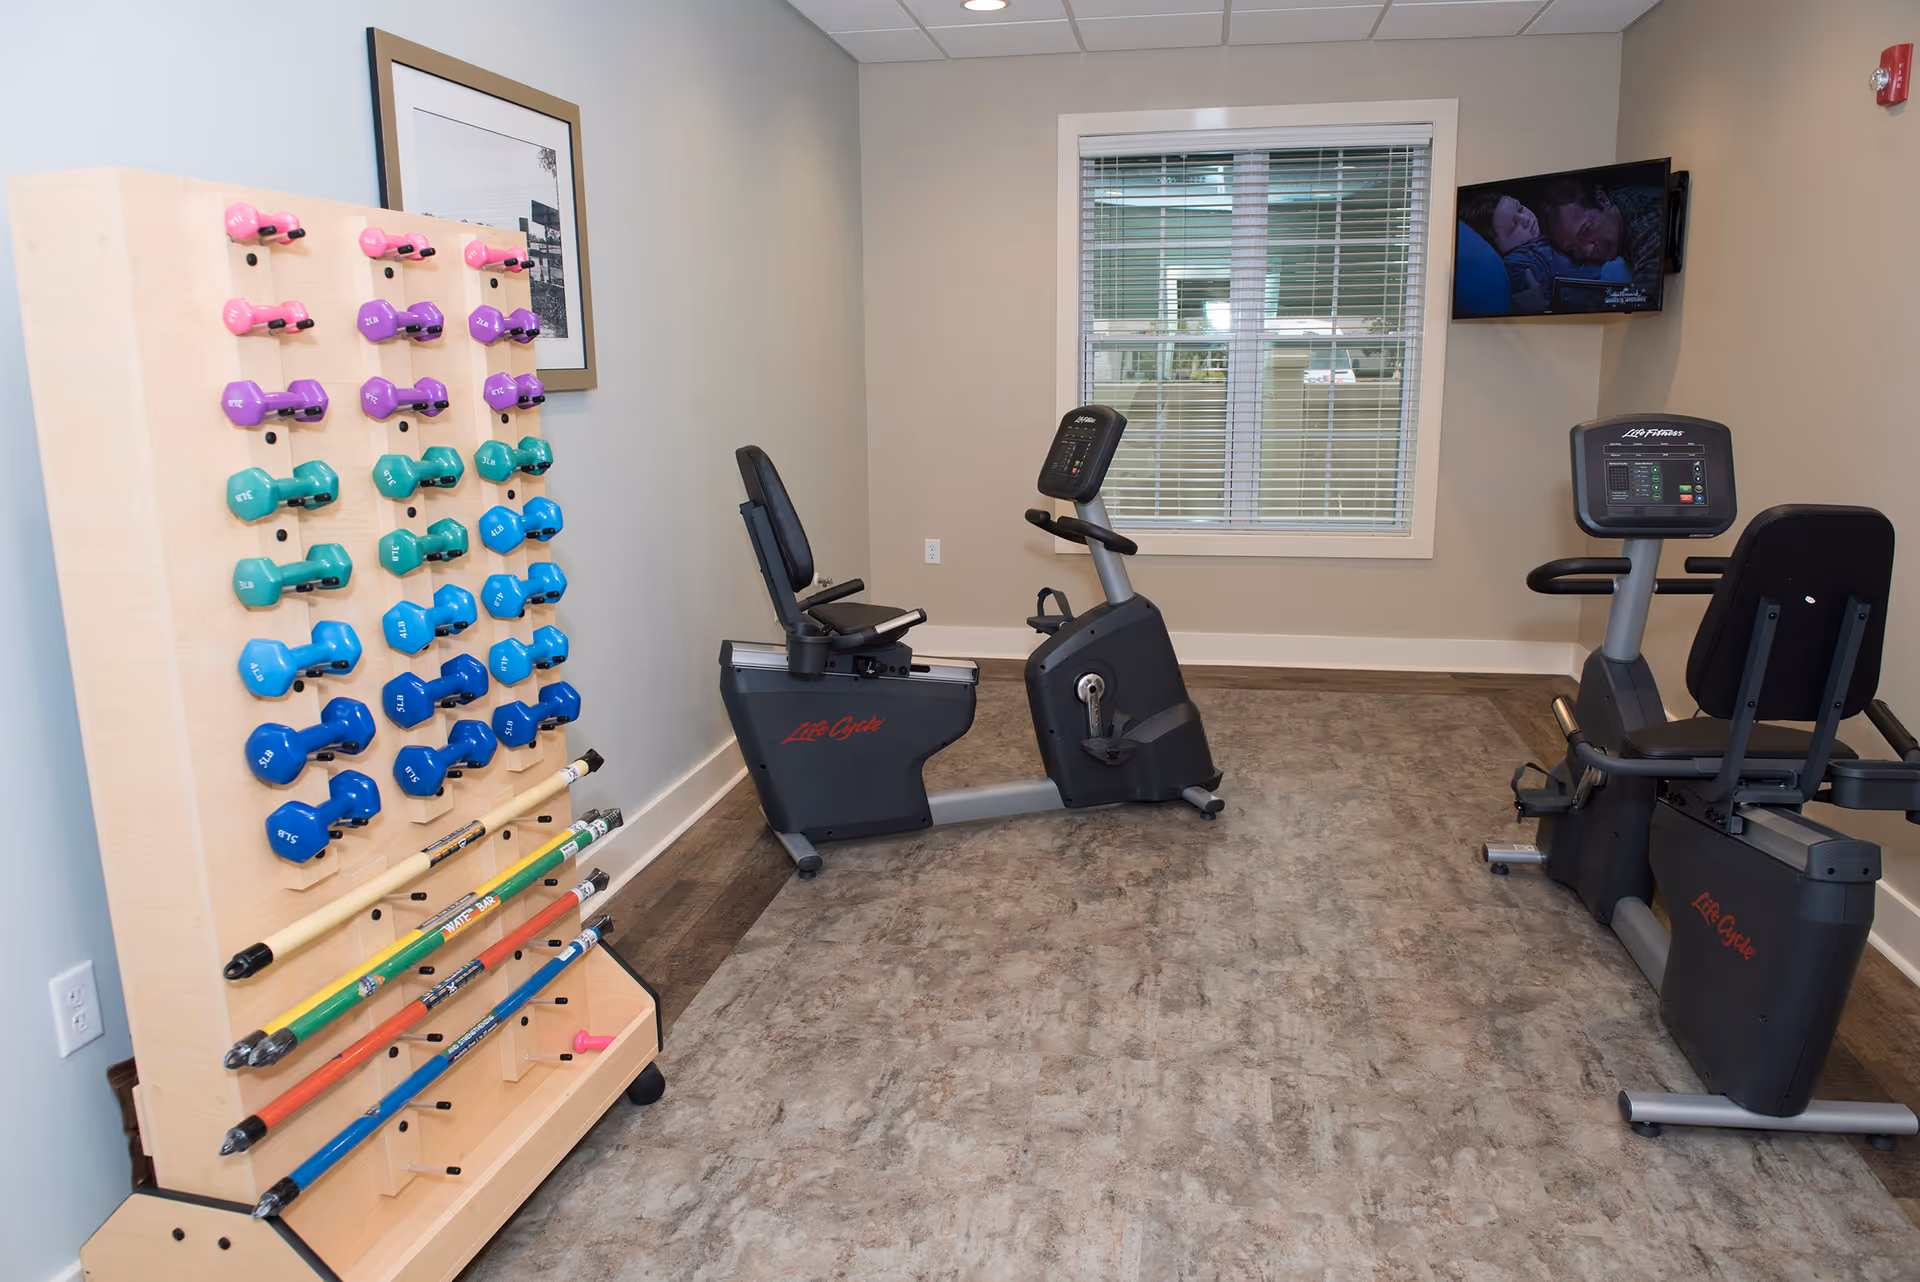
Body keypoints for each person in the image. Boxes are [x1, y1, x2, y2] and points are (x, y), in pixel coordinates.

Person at [1459, 191, 1629, 312]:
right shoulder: (1519, 263)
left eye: (1520, 209)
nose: (1526, 220)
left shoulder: (1551, 226)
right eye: (1512, 227)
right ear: (1496, 249)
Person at [1536, 177, 1665, 292]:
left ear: (1603, 200)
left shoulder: (1648, 225)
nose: (1587, 251)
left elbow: (1647, 294)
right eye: (1572, 249)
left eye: (1587, 230)